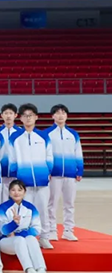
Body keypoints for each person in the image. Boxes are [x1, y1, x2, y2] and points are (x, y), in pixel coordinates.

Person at [9, 103, 54, 249]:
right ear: (20, 118)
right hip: (23, 182)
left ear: (36, 117)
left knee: (43, 210)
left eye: (31, 115)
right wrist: (16, 177)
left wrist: (47, 172)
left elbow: (49, 157)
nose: (28, 118)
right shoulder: (15, 137)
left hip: (42, 180)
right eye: (25, 116)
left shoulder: (43, 136)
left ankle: (44, 237)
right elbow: (12, 159)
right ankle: (27, 237)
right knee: (25, 211)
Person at [0, 179, 51, 273]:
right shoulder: (3, 208)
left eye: (19, 190)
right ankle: (30, 271)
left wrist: (19, 233)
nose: (16, 193)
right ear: (9, 192)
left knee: (32, 239)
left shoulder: (31, 208)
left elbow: (36, 229)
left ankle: (41, 270)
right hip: (6, 242)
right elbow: (3, 230)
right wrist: (14, 223)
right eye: (13, 190)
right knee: (20, 240)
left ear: (24, 192)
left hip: (22, 238)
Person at [46, 104, 83, 242]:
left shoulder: (73, 134)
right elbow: (45, 154)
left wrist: (79, 169)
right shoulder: (47, 134)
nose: (60, 116)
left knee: (69, 203)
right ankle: (52, 230)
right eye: (57, 113)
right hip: (53, 175)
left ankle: (68, 230)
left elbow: (78, 152)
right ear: (53, 116)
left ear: (67, 116)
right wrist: (47, 170)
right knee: (52, 203)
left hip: (70, 173)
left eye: (63, 113)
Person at [0, 103, 22, 202]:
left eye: (10, 113)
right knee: (2, 200)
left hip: (17, 172)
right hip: (1, 172)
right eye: (6, 113)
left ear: (15, 115)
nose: (8, 116)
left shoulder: (21, 132)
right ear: (1, 115)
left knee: (17, 199)